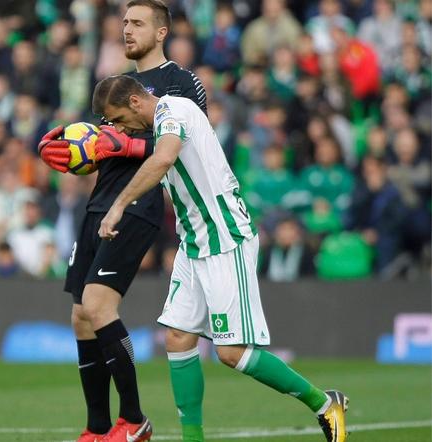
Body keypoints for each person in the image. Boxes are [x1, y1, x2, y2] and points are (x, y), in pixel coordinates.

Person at [93, 74, 348, 442]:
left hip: (225, 238)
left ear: (135, 102)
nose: (119, 127)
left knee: (230, 352)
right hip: (194, 242)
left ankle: (325, 404)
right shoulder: (157, 124)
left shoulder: (174, 110)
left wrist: (118, 205)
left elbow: (164, 159)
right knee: (178, 338)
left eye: (117, 119)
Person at [37, 1, 207, 441]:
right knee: (80, 316)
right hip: (101, 204)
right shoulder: (114, 84)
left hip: (139, 204)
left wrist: (124, 147)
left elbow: (187, 146)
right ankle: (97, 428)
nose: (127, 30)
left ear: (162, 31)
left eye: (137, 23)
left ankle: (133, 420)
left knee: (98, 306)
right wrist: (76, 155)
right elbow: (105, 149)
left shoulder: (180, 83)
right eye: (124, 22)